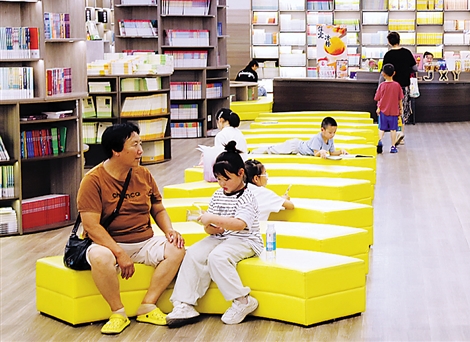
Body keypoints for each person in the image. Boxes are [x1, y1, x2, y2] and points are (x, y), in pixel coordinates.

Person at [77, 123, 185, 334]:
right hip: (109, 243)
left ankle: (148, 305)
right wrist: (119, 253)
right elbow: (91, 226)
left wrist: (169, 231)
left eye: (140, 144)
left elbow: (158, 208)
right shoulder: (93, 181)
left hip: (144, 240)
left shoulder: (143, 174)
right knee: (100, 257)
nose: (140, 151)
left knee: (177, 248)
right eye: (135, 145)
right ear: (116, 151)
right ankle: (118, 312)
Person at [166, 141, 263, 327]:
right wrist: (209, 226)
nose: (222, 183)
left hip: (245, 240)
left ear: (241, 173)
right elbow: (210, 228)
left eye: (226, 179)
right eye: (218, 179)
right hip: (220, 237)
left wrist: (214, 218)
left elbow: (240, 224)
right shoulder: (218, 195)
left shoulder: (247, 196)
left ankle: (242, 300)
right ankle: (185, 303)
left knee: (217, 257)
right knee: (193, 253)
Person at [251, 117, 349, 158]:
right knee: (274, 150)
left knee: (276, 150)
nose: (332, 135)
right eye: (330, 132)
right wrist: (321, 152)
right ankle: (254, 152)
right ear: (322, 130)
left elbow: (332, 153)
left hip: (298, 149)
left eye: (334, 132)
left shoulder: (330, 140)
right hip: (295, 146)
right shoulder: (318, 138)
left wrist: (340, 151)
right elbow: (316, 154)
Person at [382, 31, 416, 145]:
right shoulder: (407, 52)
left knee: (393, 110)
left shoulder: (388, 55)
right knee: (403, 109)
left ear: (389, 42)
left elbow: (384, 71)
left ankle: (395, 132)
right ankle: (400, 133)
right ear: (399, 40)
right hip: (404, 86)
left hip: (390, 87)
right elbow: (415, 68)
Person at [374, 63, 404, 154]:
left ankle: (379, 142)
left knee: (381, 128)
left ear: (383, 74)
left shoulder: (382, 85)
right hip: (394, 111)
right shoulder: (397, 85)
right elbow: (400, 99)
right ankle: (393, 146)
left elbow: (378, 98)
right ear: (394, 73)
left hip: (383, 111)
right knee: (393, 129)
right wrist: (401, 108)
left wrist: (378, 108)